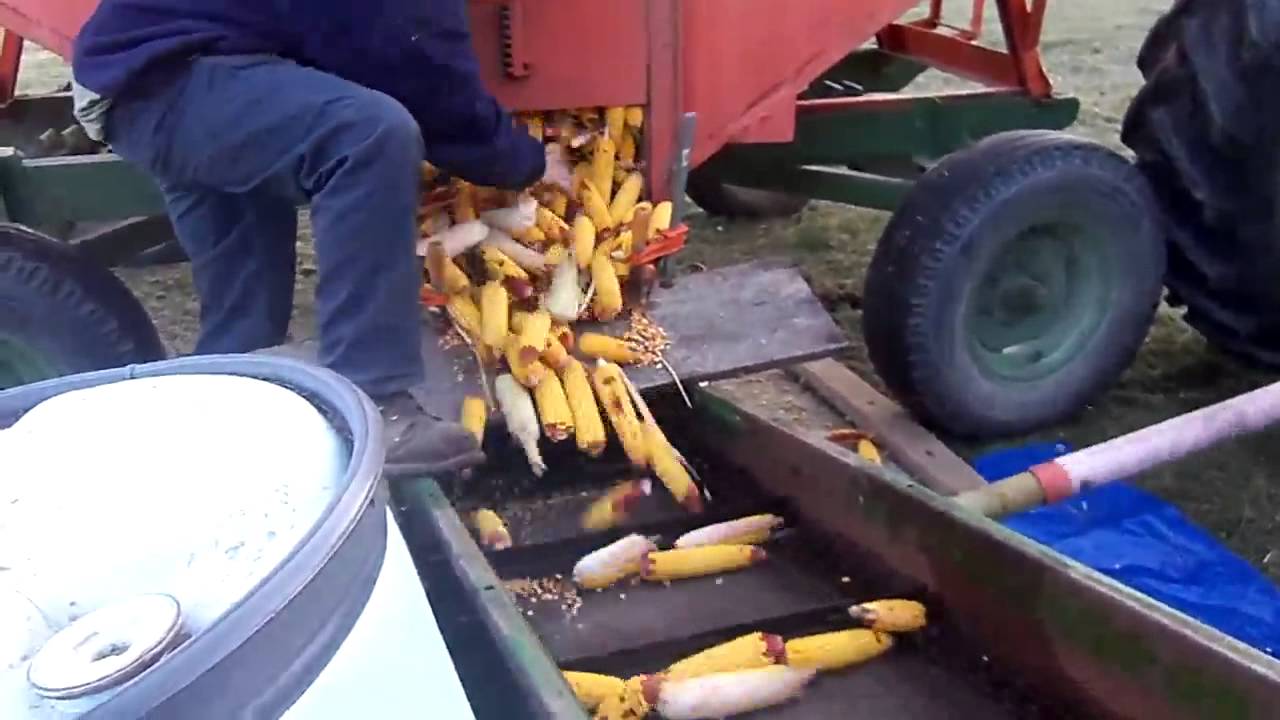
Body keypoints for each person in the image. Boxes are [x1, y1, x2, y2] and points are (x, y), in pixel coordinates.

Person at [71, 0, 571, 477]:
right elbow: (417, 61)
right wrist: (522, 161)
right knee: (369, 136)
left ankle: (218, 451)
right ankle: (374, 399)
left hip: (165, 66)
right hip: (169, 73)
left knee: (246, 321)